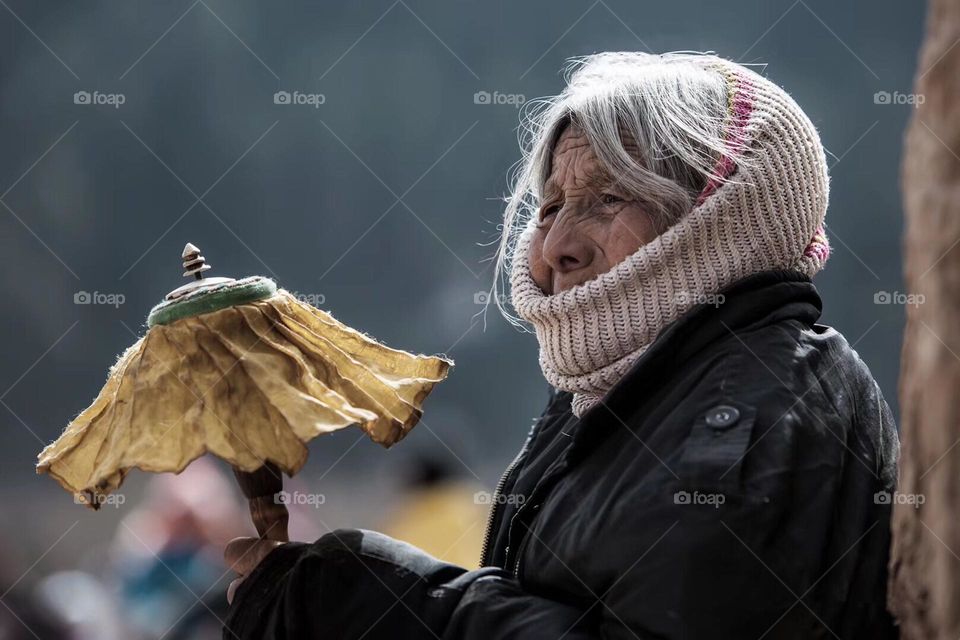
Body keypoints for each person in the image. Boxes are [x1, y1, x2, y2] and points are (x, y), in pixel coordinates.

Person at [222, 51, 900, 639]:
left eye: (607, 198)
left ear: (719, 212)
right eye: (549, 208)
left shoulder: (758, 407)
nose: (555, 246)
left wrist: (362, 597)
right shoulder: (627, 396)